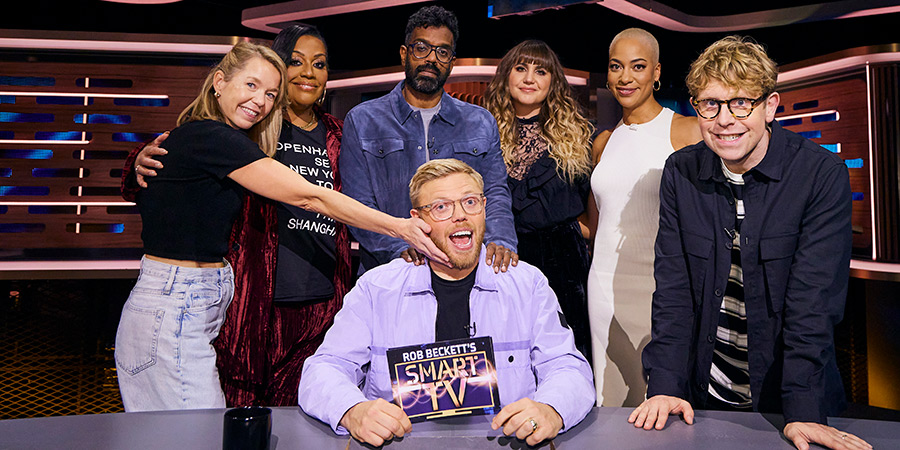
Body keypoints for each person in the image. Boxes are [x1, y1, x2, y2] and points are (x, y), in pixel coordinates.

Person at [114, 41, 448, 412]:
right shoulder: (210, 137)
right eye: (251, 85)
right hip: (174, 311)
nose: (260, 100)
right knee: (200, 436)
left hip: (189, 307)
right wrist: (400, 227)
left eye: (271, 93)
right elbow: (312, 197)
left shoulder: (214, 139)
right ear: (219, 82)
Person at [629, 36, 872, 450]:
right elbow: (673, 291)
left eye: (741, 102)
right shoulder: (680, 172)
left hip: (785, 400)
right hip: (704, 397)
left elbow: (812, 306)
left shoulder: (820, 174)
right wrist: (665, 385)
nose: (725, 119)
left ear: (771, 106)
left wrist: (803, 411)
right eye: (710, 104)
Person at [124, 24, 354, 407]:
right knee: (229, 421)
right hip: (249, 304)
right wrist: (136, 163)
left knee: (305, 420)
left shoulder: (342, 136)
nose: (308, 73)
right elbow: (179, 162)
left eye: (319, 64)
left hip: (321, 304)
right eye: (295, 62)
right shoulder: (248, 128)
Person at [298, 159, 595, 447]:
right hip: (402, 444)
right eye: (441, 207)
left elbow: (568, 367)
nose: (460, 216)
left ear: (484, 209)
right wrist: (352, 410)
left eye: (470, 202)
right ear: (418, 220)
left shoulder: (527, 284)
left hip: (503, 443)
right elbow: (324, 369)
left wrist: (551, 408)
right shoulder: (377, 288)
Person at [339, 5, 518, 273]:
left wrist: (501, 239)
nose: (431, 59)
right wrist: (398, 246)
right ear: (404, 53)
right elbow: (357, 205)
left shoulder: (480, 121)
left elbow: (494, 193)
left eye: (442, 52)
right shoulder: (363, 120)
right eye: (421, 48)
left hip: (465, 272)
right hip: (391, 272)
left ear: (452, 62)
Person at [586, 28, 701, 406]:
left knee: (659, 401)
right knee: (612, 399)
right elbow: (597, 222)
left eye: (638, 66)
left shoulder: (686, 131)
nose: (625, 77)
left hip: (661, 289)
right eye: (616, 66)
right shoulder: (603, 141)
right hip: (603, 287)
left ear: (656, 72)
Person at [482, 40, 594, 365]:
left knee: (564, 354)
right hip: (501, 262)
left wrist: (574, 233)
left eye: (540, 71)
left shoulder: (578, 136)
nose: (530, 78)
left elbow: (594, 207)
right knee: (504, 354)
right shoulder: (482, 133)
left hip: (563, 264)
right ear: (506, 76)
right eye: (521, 68)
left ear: (552, 82)